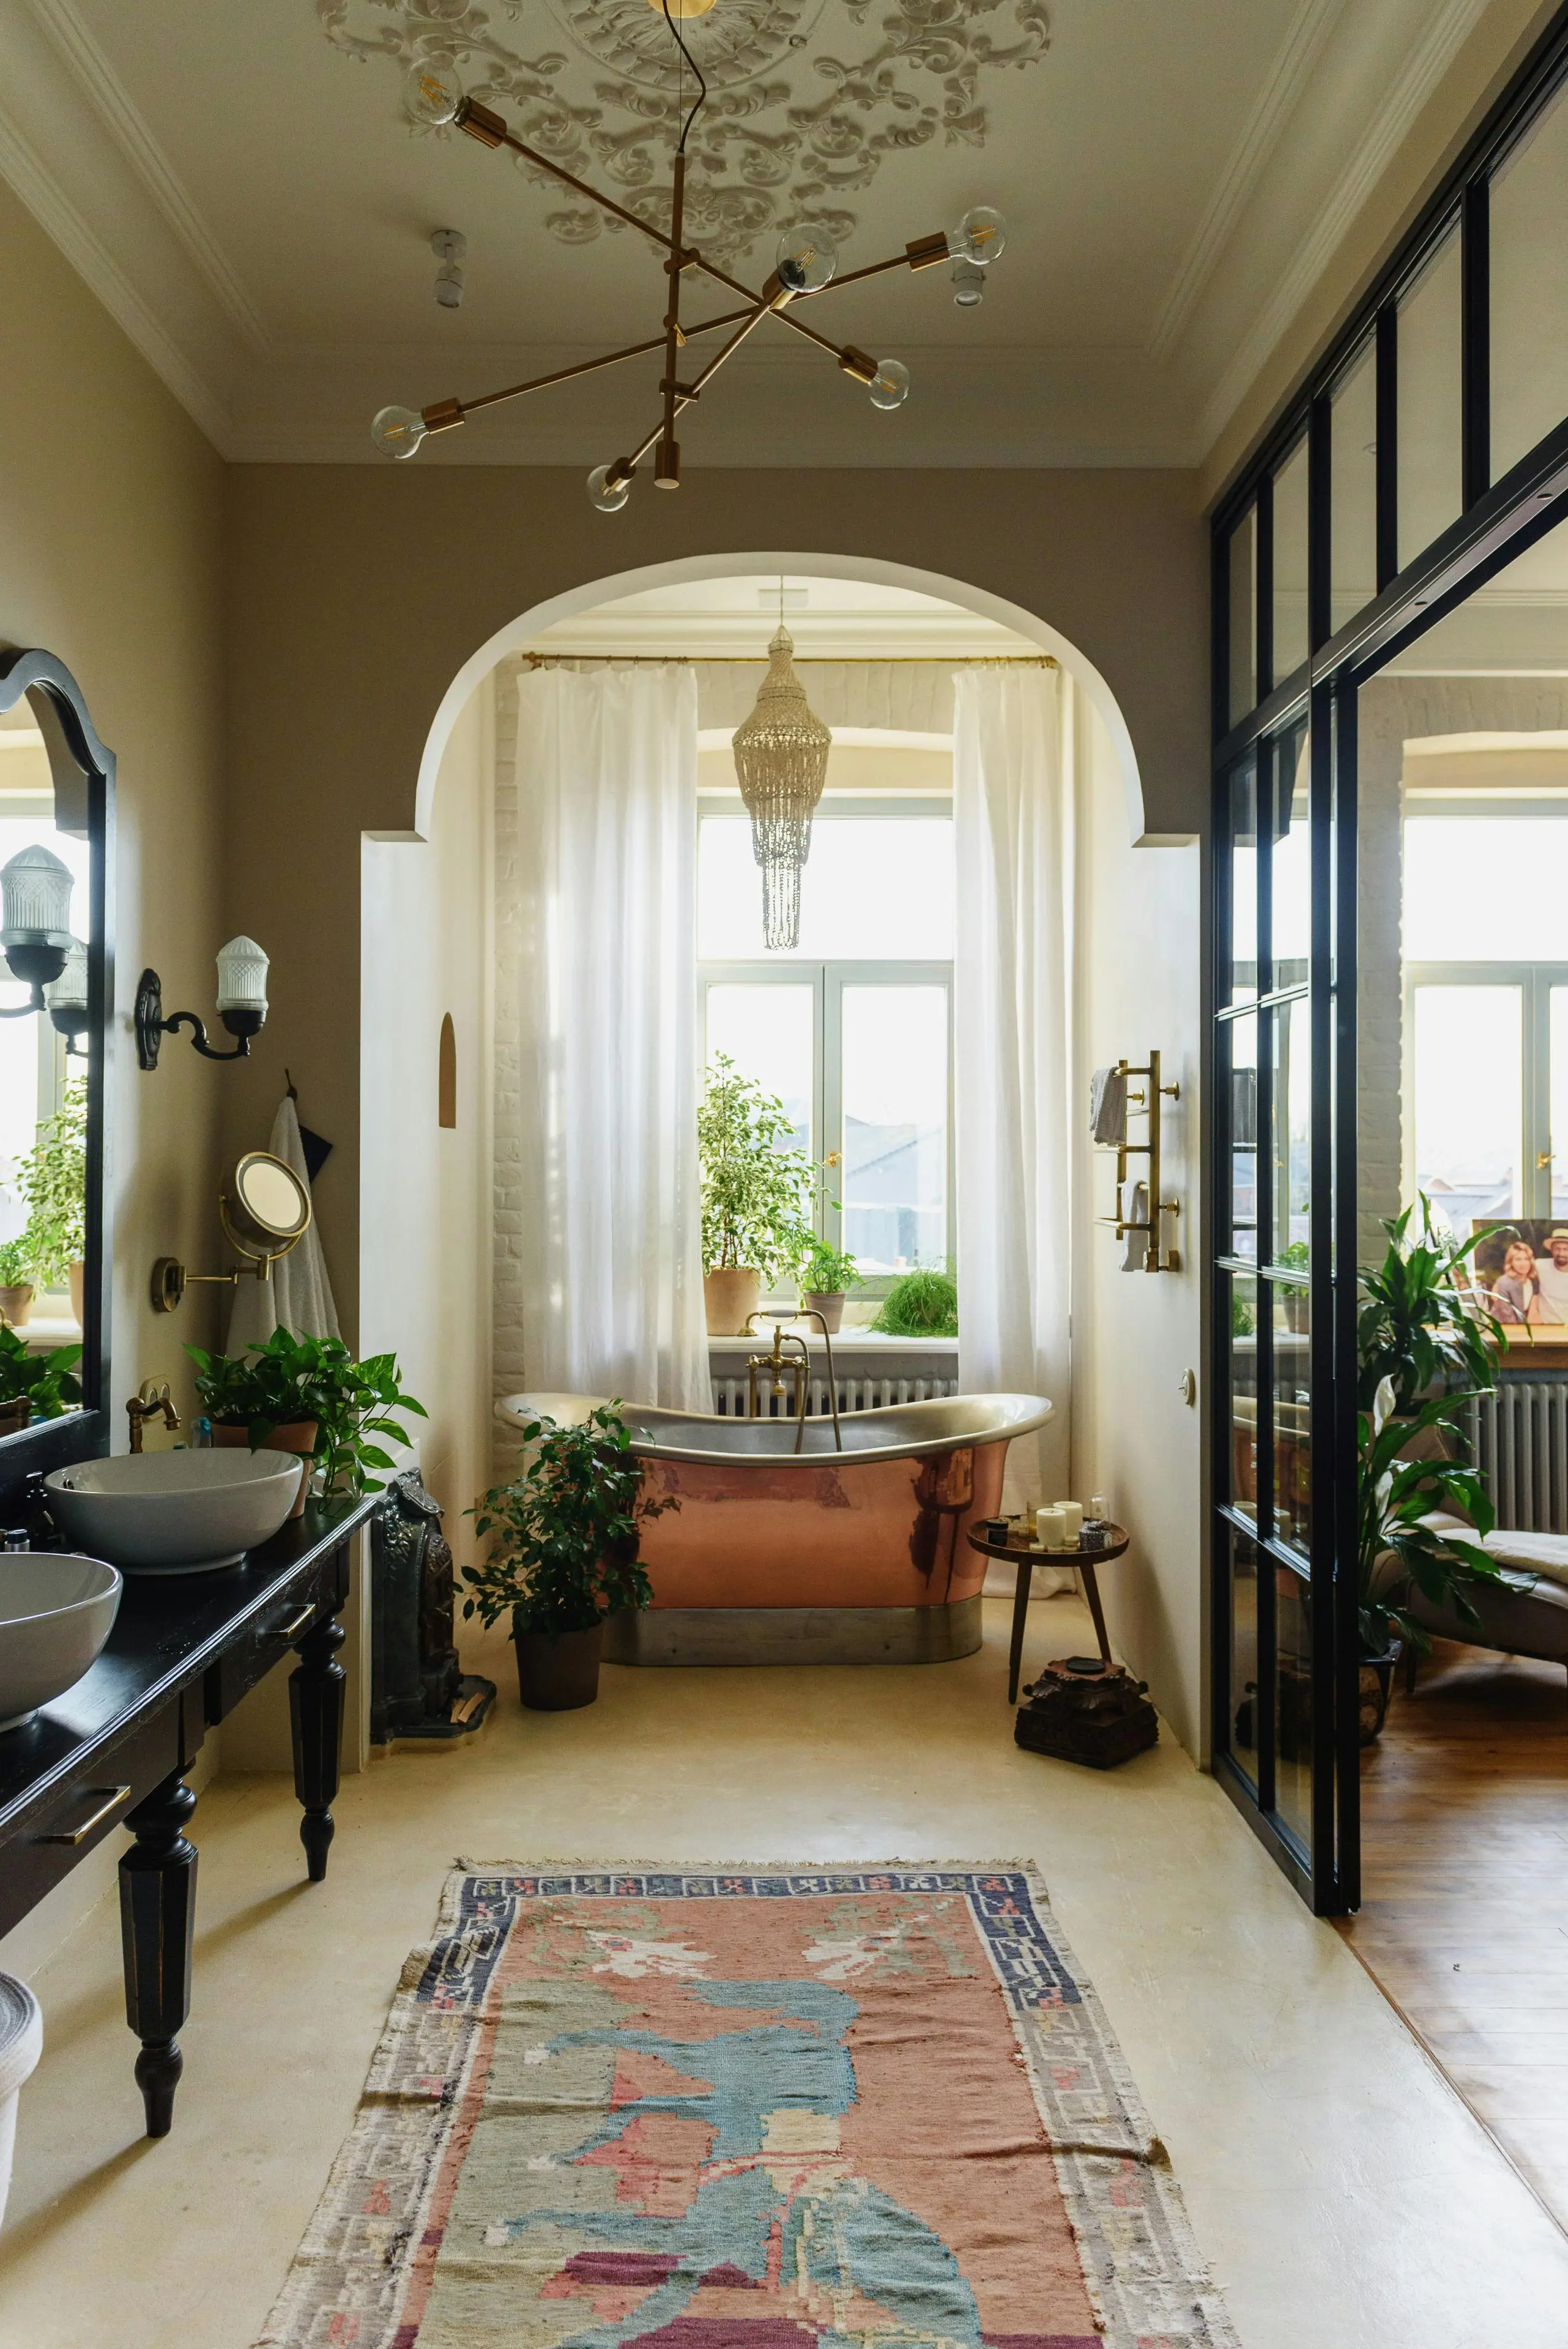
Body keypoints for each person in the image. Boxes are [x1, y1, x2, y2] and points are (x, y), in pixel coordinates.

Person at [1492, 1236, 1547, 1326]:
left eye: (1526, 1259)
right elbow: (1508, 1317)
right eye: (1518, 1259)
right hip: (1504, 1327)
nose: (1523, 1264)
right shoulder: (1505, 1283)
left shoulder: (1533, 1281)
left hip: (1523, 1327)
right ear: (1511, 1262)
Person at [1534, 1226, 1568, 1326]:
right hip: (1546, 1328)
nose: (1561, 1253)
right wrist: (1499, 1285)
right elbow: (1518, 1270)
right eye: (1557, 1249)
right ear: (1552, 1250)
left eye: (1566, 1249)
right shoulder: (1539, 1265)